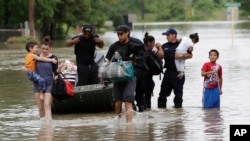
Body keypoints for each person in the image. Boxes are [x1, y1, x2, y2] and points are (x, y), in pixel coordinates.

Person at [105, 25, 144, 122]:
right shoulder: (114, 46)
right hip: (117, 77)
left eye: (121, 34)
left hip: (130, 76)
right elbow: (108, 61)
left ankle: (129, 126)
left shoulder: (136, 44)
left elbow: (142, 60)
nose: (119, 36)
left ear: (127, 33)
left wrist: (134, 61)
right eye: (118, 34)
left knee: (128, 99)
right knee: (117, 101)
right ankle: (118, 122)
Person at [158, 28, 193, 108]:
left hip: (178, 73)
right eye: (166, 35)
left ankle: (178, 115)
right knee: (162, 95)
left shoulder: (182, 44)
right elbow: (160, 57)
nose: (166, 37)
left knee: (178, 96)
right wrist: (158, 47)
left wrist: (180, 56)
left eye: (168, 35)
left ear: (174, 35)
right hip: (168, 73)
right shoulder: (164, 46)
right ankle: (162, 114)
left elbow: (190, 55)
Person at [34, 36, 58, 125]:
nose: (44, 50)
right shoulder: (36, 57)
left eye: (47, 49)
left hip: (49, 83)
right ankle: (42, 125)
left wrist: (57, 75)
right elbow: (31, 68)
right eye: (43, 48)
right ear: (40, 47)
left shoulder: (54, 58)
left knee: (47, 106)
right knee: (40, 107)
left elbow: (55, 72)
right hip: (37, 84)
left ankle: (48, 125)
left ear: (50, 48)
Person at [143, 32, 164, 109]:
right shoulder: (153, 49)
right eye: (153, 42)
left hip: (140, 76)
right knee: (147, 96)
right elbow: (161, 56)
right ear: (150, 42)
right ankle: (148, 111)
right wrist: (160, 46)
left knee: (141, 96)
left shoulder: (140, 49)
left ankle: (142, 111)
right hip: (148, 76)